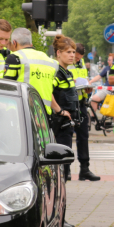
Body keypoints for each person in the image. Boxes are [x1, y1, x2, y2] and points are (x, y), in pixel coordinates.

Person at [4, 28, 58, 114]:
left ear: (14, 43)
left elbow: (6, 87)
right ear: (30, 43)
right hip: (44, 116)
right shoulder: (49, 61)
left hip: (22, 113)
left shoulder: (15, 58)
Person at [50, 36, 80, 182]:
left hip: (67, 124)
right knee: (62, 161)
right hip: (60, 124)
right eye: (68, 52)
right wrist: (59, 110)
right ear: (58, 53)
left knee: (66, 160)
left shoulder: (67, 72)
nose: (72, 55)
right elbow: (47, 91)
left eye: (73, 52)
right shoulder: (57, 72)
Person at [70, 44, 100, 181]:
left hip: (81, 103)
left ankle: (84, 169)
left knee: (84, 137)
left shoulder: (81, 63)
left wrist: (87, 87)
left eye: (79, 58)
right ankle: (66, 170)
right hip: (69, 104)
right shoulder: (66, 60)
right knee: (66, 137)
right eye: (75, 57)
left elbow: (84, 79)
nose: (77, 60)